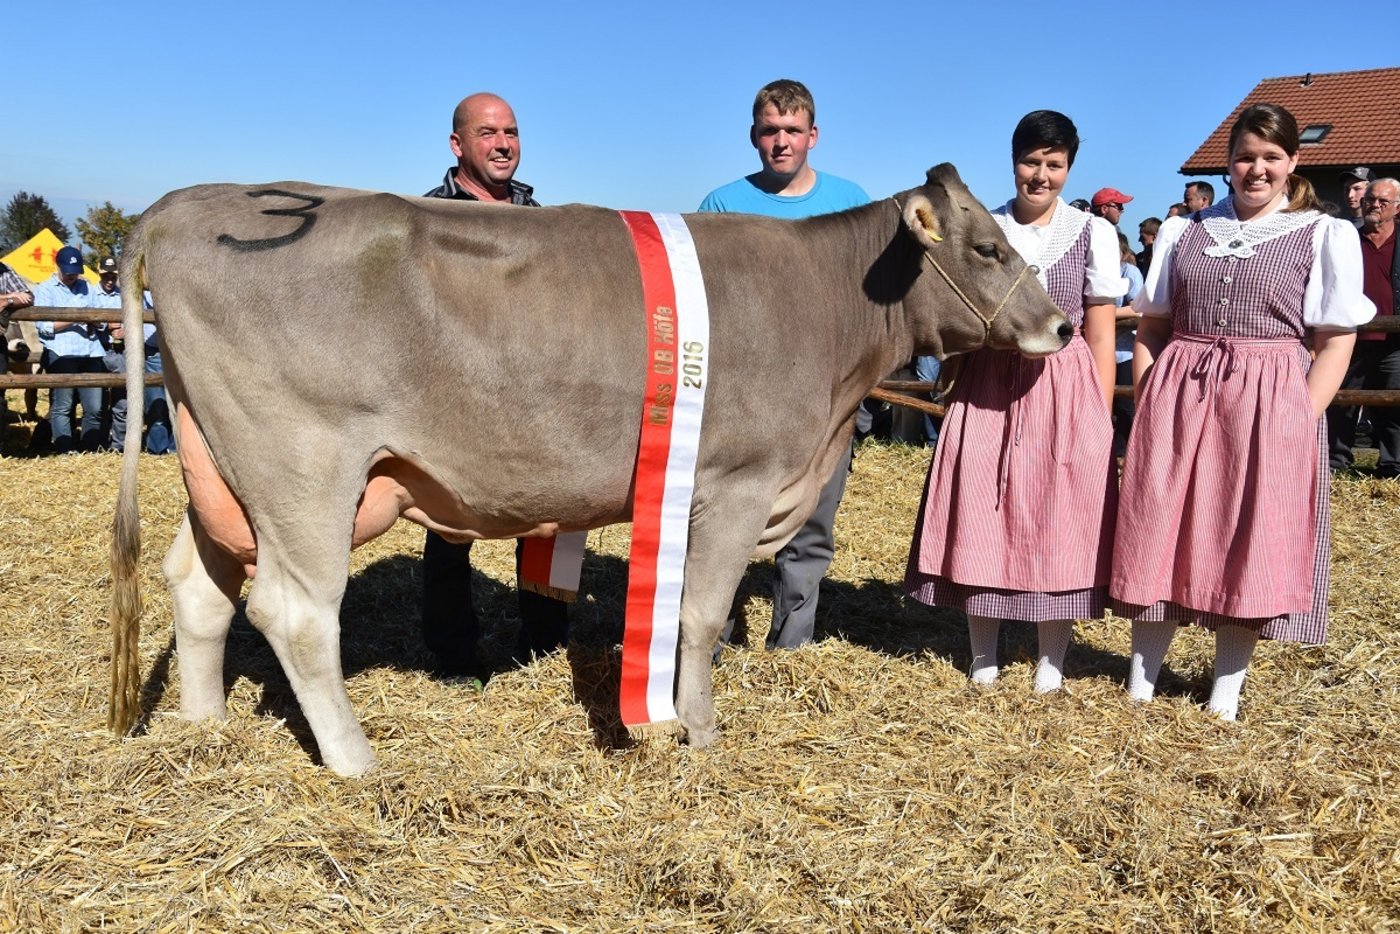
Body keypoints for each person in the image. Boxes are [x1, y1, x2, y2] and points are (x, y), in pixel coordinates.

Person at [1112, 104, 1374, 721]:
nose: (1257, 170)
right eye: (1246, 157)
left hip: (1268, 396)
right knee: (1160, 522)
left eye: (1271, 158)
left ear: (1293, 163)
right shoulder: (1186, 231)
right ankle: (1140, 681)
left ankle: (1224, 693)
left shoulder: (1322, 233)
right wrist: (1149, 392)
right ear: (1228, 162)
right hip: (1181, 388)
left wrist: (1301, 415)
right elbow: (1153, 324)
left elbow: (1337, 339)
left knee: (1249, 530)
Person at [906, 110, 1125, 691]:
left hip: (1063, 384)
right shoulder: (988, 226)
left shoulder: (1092, 232)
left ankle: (1052, 659)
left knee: (1059, 515)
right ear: (1014, 162)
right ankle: (984, 654)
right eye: (1032, 161)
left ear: (1069, 168)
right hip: (988, 383)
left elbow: (1099, 332)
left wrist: (1097, 415)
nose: (1041, 175)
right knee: (984, 508)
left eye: (1054, 165)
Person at [698, 78, 869, 651]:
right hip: (737, 398)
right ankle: (710, 636)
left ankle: (791, 645)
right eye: (770, 130)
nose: (781, 141)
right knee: (719, 516)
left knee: (813, 519)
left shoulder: (852, 204)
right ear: (753, 135)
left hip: (825, 395)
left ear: (813, 135)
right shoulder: (721, 207)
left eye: (793, 130)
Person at [419, 92, 570, 678]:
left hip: (536, 400)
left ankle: (545, 644)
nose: (503, 143)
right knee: (449, 527)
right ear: (458, 145)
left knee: (553, 522)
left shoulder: (542, 219)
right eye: (487, 133)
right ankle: (453, 653)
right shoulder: (426, 217)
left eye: (510, 131)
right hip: (454, 403)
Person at [1328, 177, 1400, 476]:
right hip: (1349, 337)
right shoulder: (1347, 238)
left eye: (1383, 201)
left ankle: (1392, 466)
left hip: (1394, 340)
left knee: (1392, 405)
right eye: (1371, 198)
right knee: (1341, 402)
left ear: (1397, 207)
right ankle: (1336, 462)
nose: (1375, 205)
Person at [92, 257, 173, 454]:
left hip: (168, 350)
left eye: (113, 275)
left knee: (170, 402)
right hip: (116, 350)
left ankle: (172, 446)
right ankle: (155, 447)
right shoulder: (96, 292)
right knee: (150, 402)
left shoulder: (131, 291)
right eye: (106, 275)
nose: (110, 279)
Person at [32, 246, 107, 452]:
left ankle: (89, 449)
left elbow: (100, 317)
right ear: (58, 266)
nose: (72, 275)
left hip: (91, 351)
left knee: (94, 408)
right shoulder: (45, 289)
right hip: (61, 352)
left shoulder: (87, 287)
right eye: (68, 271)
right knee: (62, 406)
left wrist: (94, 321)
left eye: (75, 270)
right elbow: (44, 327)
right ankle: (66, 450)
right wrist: (76, 317)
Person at [1113, 231, 1144, 457]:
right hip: (1098, 350)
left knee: (1125, 406)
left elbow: (1138, 307)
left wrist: (1105, 314)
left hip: (1124, 350)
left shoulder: (1128, 271)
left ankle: (1124, 453)